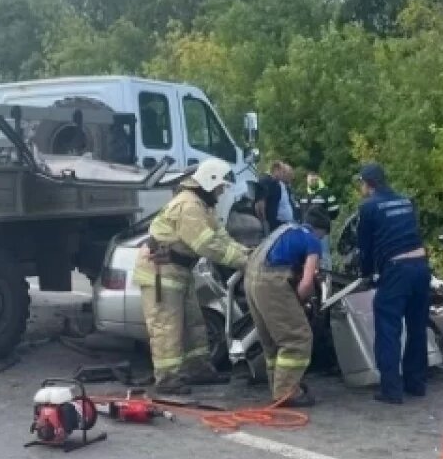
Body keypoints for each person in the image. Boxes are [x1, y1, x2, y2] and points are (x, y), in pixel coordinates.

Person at [135, 158, 250, 396]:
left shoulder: (203, 206)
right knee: (167, 326)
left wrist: (248, 254)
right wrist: (244, 262)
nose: (221, 192)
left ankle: (198, 370)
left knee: (193, 323)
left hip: (178, 271)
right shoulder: (189, 206)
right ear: (209, 182)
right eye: (220, 187)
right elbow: (207, 245)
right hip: (161, 272)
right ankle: (167, 379)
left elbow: (222, 238)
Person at [243, 206, 333, 408]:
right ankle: (286, 393)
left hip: (250, 280)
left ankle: (279, 384)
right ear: (320, 231)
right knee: (297, 338)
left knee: (273, 341)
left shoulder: (284, 230)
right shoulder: (312, 240)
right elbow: (307, 282)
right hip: (272, 282)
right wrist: (300, 302)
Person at [355, 163, 431, 404]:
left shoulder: (368, 207)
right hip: (421, 266)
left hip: (397, 270)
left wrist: (366, 273)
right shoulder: (406, 202)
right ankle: (416, 383)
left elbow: (365, 248)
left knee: (388, 328)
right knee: (417, 327)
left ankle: (391, 390)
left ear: (367, 183)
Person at [299, 171, 340, 270]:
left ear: (318, 179)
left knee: (324, 256)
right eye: (310, 179)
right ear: (307, 180)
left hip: (322, 232)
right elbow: (297, 211)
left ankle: (327, 278)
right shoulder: (302, 194)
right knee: (308, 255)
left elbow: (335, 210)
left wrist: (325, 221)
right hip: (305, 231)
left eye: (314, 179)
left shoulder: (326, 193)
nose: (312, 180)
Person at [256, 161, 298, 233]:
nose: (284, 174)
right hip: (272, 223)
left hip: (284, 222)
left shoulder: (279, 185)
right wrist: (264, 221)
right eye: (283, 171)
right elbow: (260, 204)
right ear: (276, 170)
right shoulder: (266, 180)